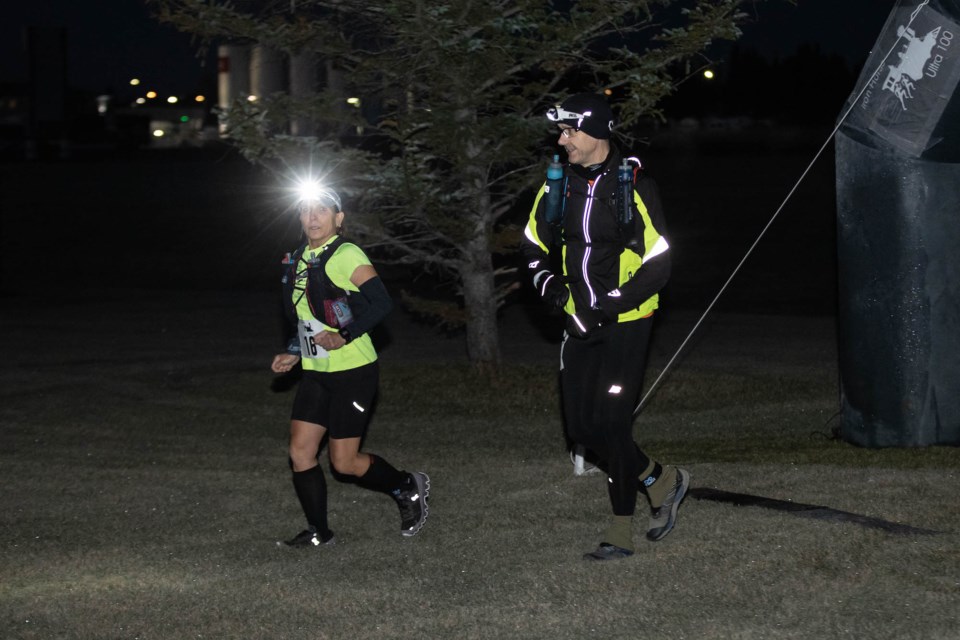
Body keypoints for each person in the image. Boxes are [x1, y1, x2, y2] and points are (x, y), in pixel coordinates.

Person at [521, 93, 690, 561]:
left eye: (569, 132)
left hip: (627, 323)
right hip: (578, 322)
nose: (561, 140)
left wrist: (612, 305)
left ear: (596, 132)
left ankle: (620, 531)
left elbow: (659, 262)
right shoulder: (555, 187)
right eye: (561, 132)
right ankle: (661, 479)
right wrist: (553, 289)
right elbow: (533, 246)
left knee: (612, 425)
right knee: (582, 427)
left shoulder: (634, 187)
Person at [271, 186, 430, 547]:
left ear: (338, 218)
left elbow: (380, 302)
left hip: (354, 372)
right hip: (316, 371)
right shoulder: (297, 258)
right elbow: (304, 313)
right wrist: (295, 349)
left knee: (344, 463)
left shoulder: (345, 254)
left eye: (322, 210)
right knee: (300, 452)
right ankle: (318, 532)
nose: (313, 217)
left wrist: (345, 334)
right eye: (306, 210)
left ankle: (406, 485)